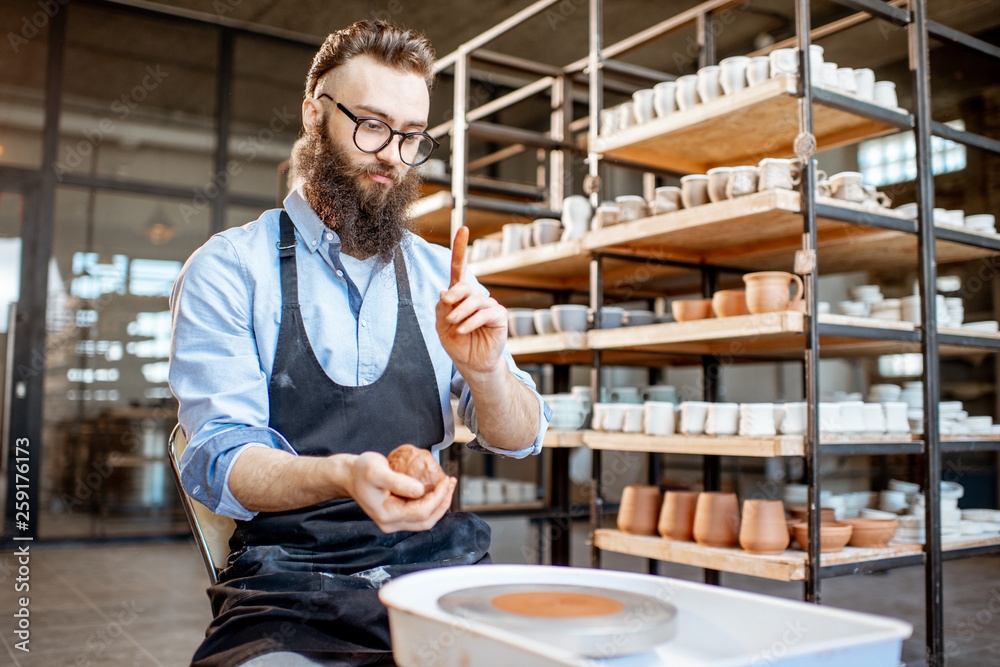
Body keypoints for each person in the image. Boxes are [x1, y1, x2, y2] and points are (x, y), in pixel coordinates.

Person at [168, 19, 551, 667]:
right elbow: (217, 460)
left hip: (440, 571)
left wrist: (486, 373)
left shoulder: (440, 274)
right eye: (371, 125)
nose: (392, 156)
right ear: (314, 116)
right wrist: (344, 473)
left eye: (410, 137)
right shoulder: (230, 268)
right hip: (290, 583)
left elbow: (520, 436)